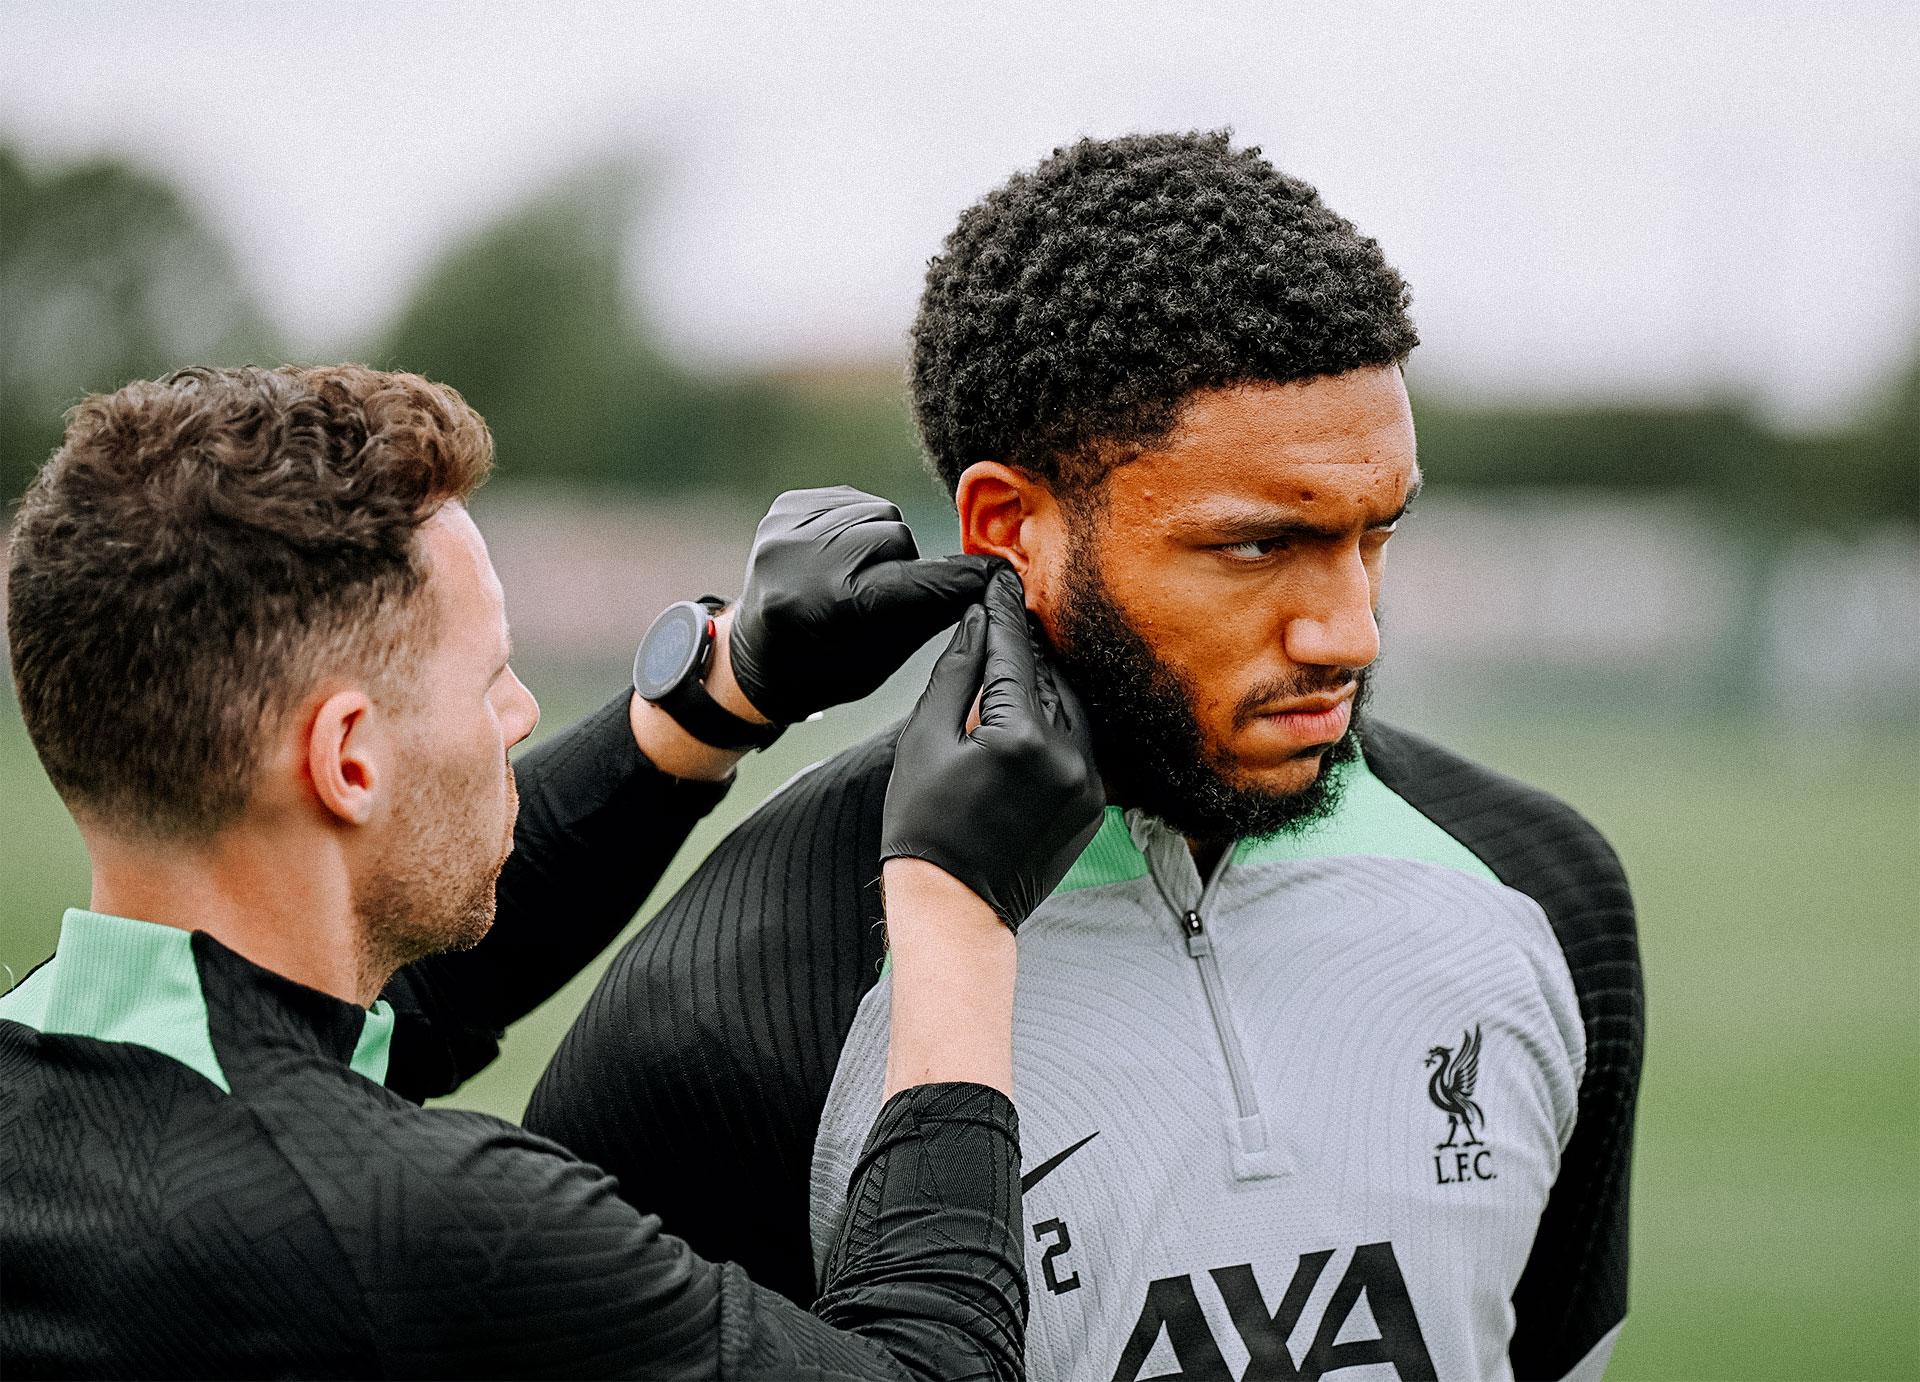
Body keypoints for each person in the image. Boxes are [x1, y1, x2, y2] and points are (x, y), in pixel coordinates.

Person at [526, 132, 1644, 1382]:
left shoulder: (1545, 893)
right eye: (1256, 545)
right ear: (1009, 525)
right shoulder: (741, 987)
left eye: (1374, 532)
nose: (1351, 630)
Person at [0, 363, 1105, 1378]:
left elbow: (386, 1005)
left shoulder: (50, 1059)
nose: (522, 714)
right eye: (491, 680)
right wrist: (954, 908)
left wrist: (722, 693)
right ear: (346, 757)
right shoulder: (425, 1225)